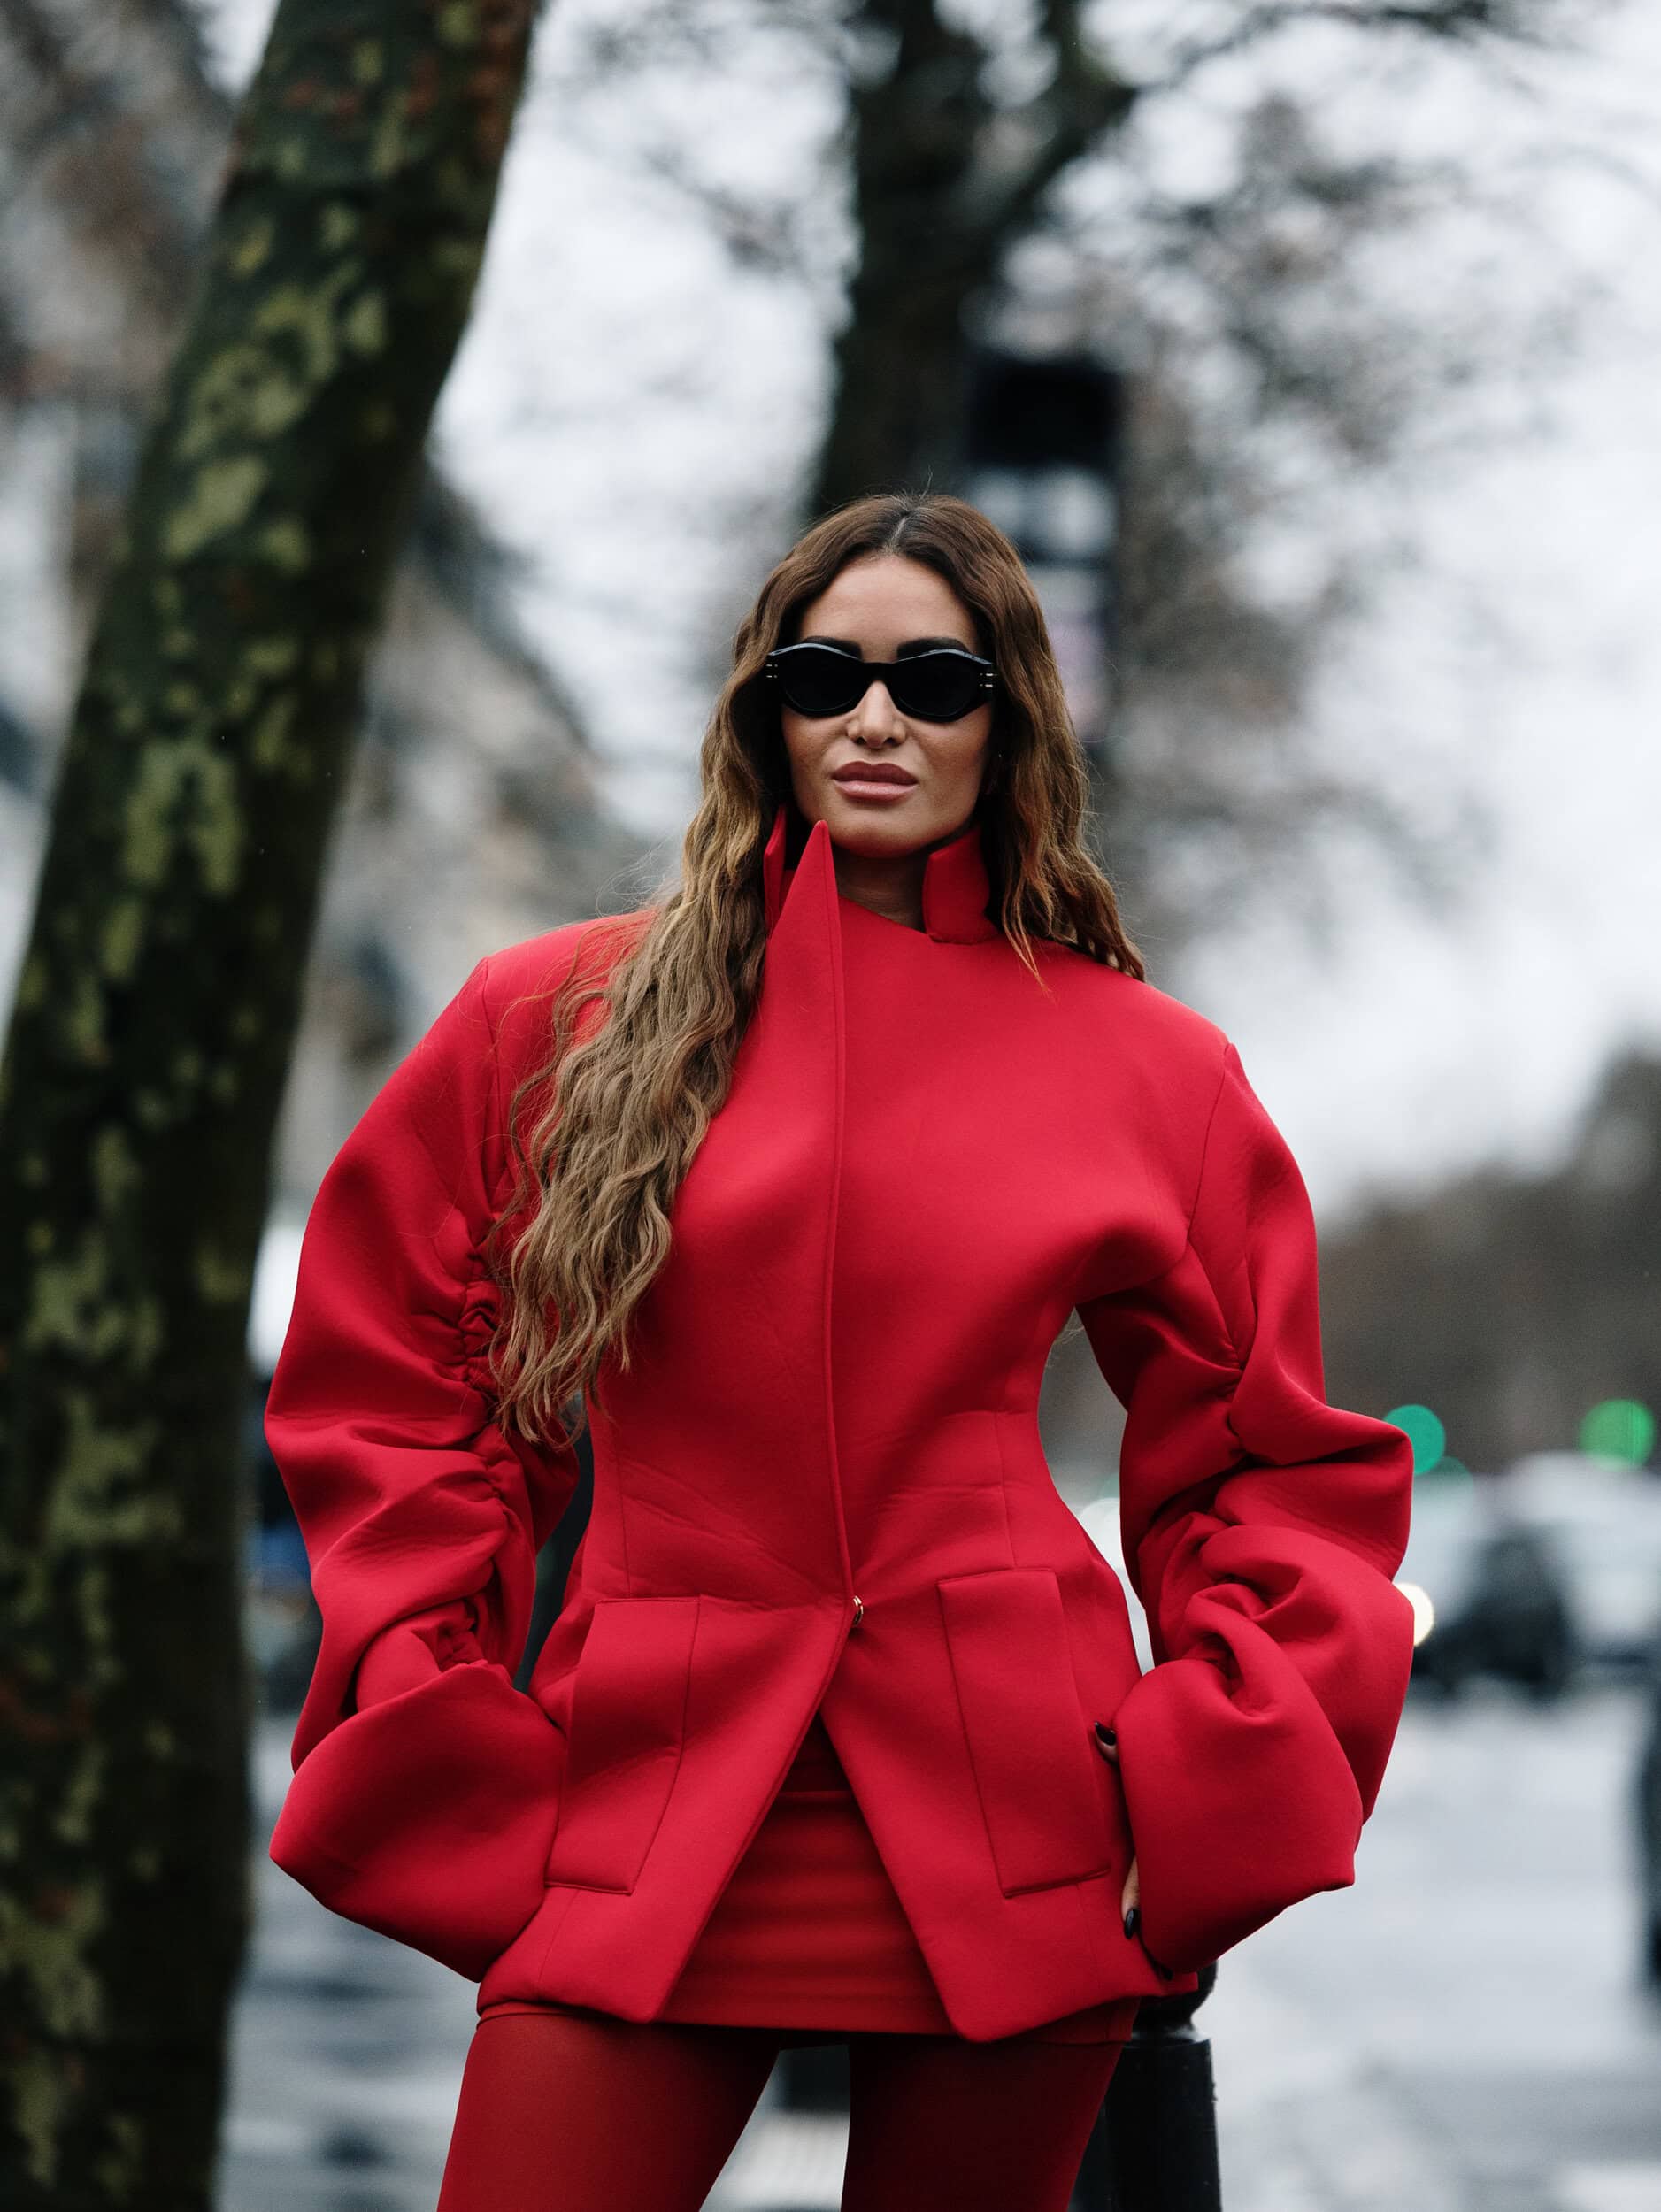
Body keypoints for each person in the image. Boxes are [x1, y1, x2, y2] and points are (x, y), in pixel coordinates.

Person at [265, 491, 1418, 2211]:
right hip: (635, 1801)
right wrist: (446, 1725)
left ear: (1007, 716)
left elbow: (1271, 1458)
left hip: (1026, 1832)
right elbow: (396, 1384)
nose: (876, 717)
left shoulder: (1146, 1065)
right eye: (827, 673)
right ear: (766, 711)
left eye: (933, 679)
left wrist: (1200, 1794)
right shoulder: (551, 1014)